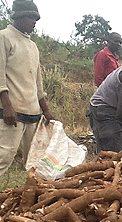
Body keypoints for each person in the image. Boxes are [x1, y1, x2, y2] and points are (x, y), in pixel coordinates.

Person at [0, 0, 54, 177]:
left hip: (33, 113)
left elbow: (37, 82)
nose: (34, 22)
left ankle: (33, 199)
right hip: (11, 112)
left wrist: (46, 109)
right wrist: (7, 105)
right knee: (4, 156)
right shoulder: (4, 37)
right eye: (31, 17)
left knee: (34, 161)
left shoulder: (33, 46)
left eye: (36, 19)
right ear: (18, 17)